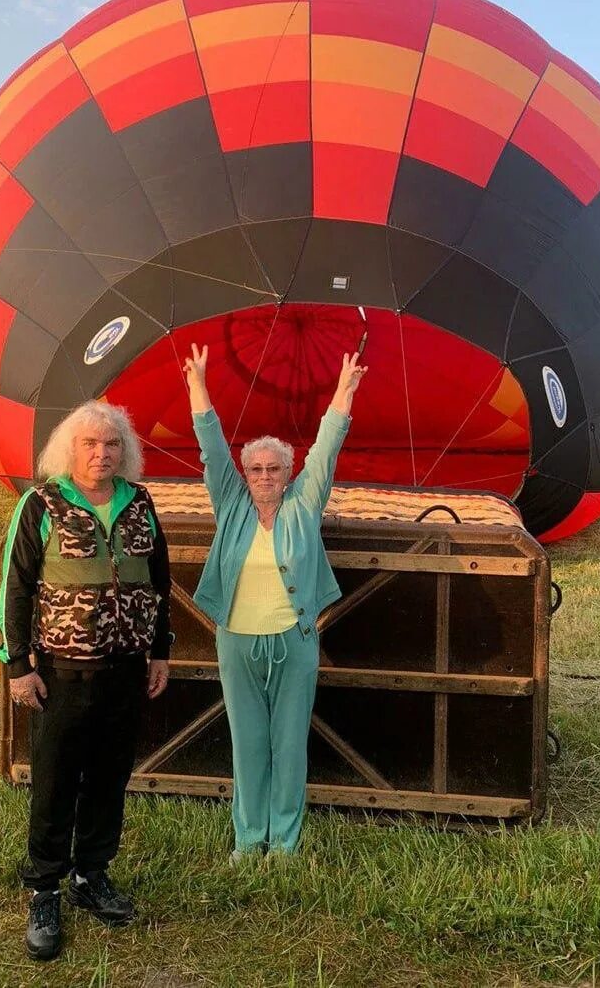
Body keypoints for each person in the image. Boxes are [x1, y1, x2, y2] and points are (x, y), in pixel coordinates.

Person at [0, 400, 173, 961]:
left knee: (107, 776)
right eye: (91, 444)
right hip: (61, 673)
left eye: (112, 444)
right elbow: (15, 587)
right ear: (69, 450)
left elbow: (159, 581)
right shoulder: (41, 502)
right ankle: (46, 888)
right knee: (54, 779)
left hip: (125, 670)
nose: (102, 454)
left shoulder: (140, 503)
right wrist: (17, 665)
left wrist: (160, 652)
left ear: (126, 451)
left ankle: (91, 875)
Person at [183, 343, 367, 861]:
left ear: (289, 474)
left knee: (288, 746)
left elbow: (326, 451)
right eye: (257, 469)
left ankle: (283, 842)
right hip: (237, 640)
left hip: (294, 641)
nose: (264, 476)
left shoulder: (305, 503)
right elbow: (212, 449)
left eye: (274, 469)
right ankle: (249, 838)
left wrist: (344, 391)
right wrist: (198, 383)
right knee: (247, 744)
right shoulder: (232, 503)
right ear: (245, 474)